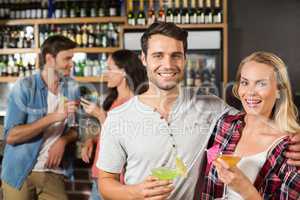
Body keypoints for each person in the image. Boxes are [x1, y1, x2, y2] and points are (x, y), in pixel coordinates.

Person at [97, 22, 300, 200]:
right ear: (143, 58)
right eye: (158, 55)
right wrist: (135, 193)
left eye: (175, 55)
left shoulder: (210, 106)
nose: (167, 64)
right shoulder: (117, 118)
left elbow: (255, 116)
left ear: (185, 59)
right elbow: (105, 182)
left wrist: (295, 136)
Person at [200, 52, 300, 199]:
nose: (250, 92)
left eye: (261, 83)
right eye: (245, 82)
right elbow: (207, 171)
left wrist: (246, 190)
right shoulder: (225, 125)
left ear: (279, 90)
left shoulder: (290, 149)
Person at [1, 35, 80, 200]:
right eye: (67, 58)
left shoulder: (71, 88)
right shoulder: (25, 87)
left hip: (53, 173)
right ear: (50, 59)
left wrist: (63, 140)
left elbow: (76, 128)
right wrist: (54, 117)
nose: (71, 64)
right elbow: (11, 136)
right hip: (21, 172)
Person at [80, 49, 148, 200]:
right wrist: (93, 140)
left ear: (124, 72)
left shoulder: (135, 103)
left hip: (116, 180)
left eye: (110, 69)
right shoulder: (113, 100)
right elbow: (109, 135)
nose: (106, 73)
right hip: (99, 174)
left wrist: (100, 115)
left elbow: (127, 139)